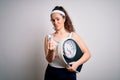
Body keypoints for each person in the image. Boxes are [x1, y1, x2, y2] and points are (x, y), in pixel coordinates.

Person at [44, 6, 91, 80]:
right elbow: (49, 60)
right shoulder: (49, 37)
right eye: (53, 20)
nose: (55, 22)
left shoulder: (73, 36)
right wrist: (51, 51)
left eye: (58, 19)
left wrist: (77, 64)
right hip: (51, 72)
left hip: (68, 73)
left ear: (64, 19)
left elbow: (87, 54)